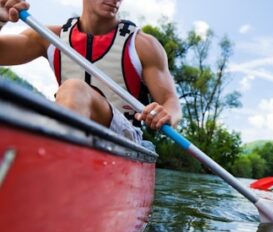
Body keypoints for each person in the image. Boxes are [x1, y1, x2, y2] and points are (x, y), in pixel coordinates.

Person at [0, 0, 181, 145]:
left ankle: (53, 161)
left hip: (124, 137)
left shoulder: (143, 45)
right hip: (67, 125)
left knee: (73, 89)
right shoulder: (48, 37)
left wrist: (166, 114)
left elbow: (171, 102)